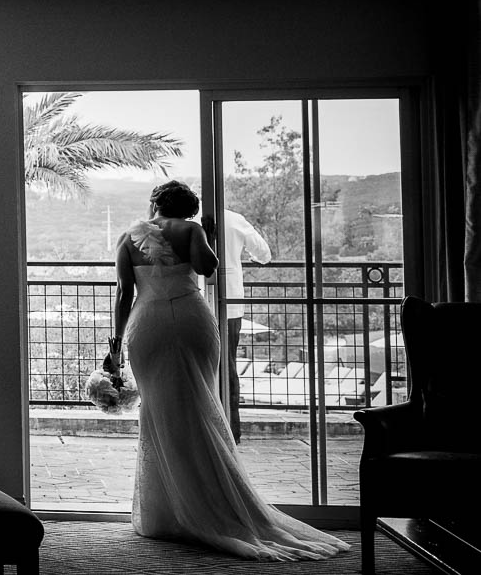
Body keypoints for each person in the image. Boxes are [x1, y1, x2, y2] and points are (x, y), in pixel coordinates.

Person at [104, 181, 348, 560]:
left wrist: (116, 346)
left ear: (154, 203)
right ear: (187, 208)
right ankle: (214, 502)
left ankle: (168, 510)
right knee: (201, 404)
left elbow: (123, 294)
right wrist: (207, 236)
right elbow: (208, 268)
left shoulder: (127, 236)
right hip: (190, 319)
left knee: (158, 413)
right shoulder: (191, 229)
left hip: (146, 325)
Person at [208, 208, 272, 442]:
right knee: (228, 364)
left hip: (196, 299)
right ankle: (231, 429)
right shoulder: (234, 219)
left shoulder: (189, 221)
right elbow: (264, 254)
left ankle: (205, 428)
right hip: (230, 302)